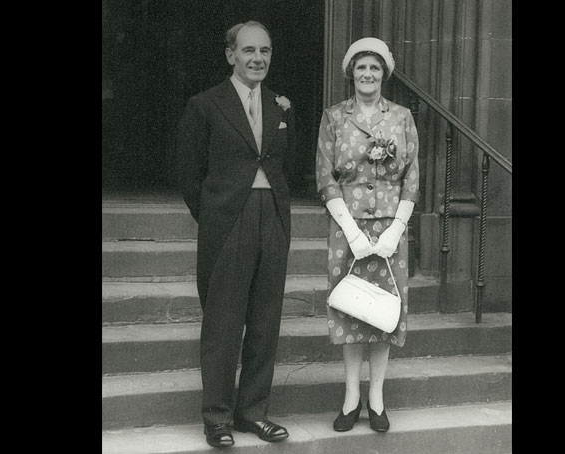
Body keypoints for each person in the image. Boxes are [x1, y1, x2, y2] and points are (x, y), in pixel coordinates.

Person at [176, 20, 295, 448]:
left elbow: (286, 166)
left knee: (265, 321)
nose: (257, 58)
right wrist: (214, 215)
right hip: (228, 220)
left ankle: (253, 412)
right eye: (248, 51)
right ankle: (217, 417)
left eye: (264, 51)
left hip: (272, 218)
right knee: (224, 323)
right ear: (231, 55)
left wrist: (277, 214)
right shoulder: (205, 105)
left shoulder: (281, 106)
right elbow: (189, 176)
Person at [315, 37, 420, 433]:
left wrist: (396, 228)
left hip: (390, 229)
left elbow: (413, 177)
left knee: (383, 311)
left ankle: (376, 396)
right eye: (361, 67)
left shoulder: (403, 117)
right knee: (351, 309)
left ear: (384, 74)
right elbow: (325, 175)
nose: (368, 74)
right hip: (348, 228)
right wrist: (350, 230)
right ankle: (351, 397)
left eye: (375, 68)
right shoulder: (334, 117)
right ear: (350, 73)